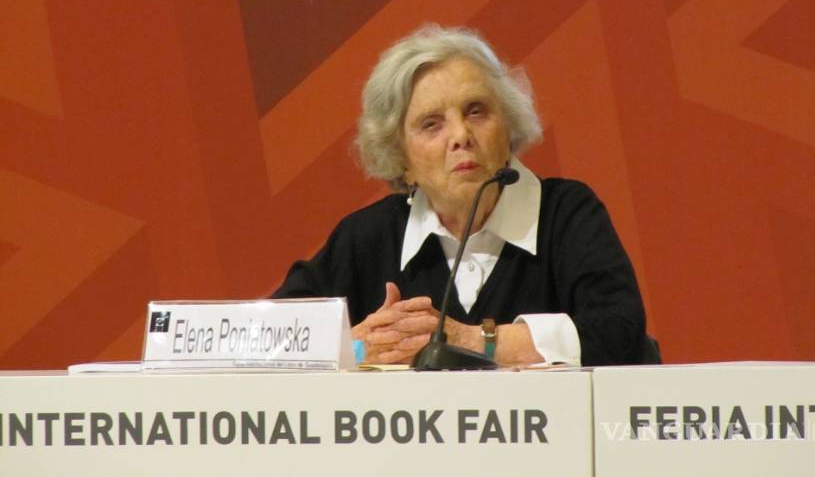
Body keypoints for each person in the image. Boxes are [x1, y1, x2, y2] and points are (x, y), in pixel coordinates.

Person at [272, 25, 646, 367]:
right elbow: (266, 342)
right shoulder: (368, 237)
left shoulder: (566, 215)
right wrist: (354, 348)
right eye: (431, 124)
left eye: (476, 111)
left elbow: (619, 333)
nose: (461, 136)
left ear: (508, 127)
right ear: (402, 160)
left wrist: (469, 340)